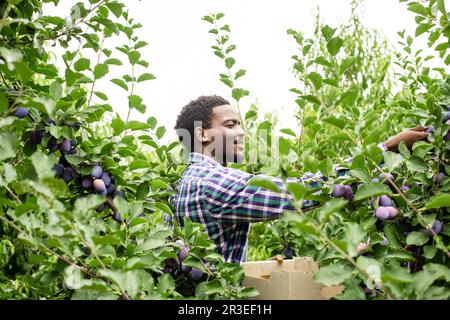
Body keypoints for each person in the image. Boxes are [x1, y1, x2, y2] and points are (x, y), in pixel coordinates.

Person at [171, 95, 429, 263]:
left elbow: (207, 259)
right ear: (202, 134)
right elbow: (300, 192)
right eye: (230, 125)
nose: (241, 132)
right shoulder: (214, 182)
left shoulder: (182, 184)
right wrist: (385, 149)